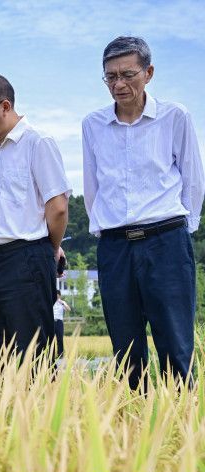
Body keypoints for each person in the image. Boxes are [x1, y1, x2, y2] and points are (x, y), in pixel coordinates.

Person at [82, 36, 204, 391]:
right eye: (110, 77)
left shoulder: (174, 116)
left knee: (175, 346)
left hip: (166, 240)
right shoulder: (92, 124)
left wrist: (183, 230)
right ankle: (132, 435)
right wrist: (106, 231)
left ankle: (180, 432)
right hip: (115, 247)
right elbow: (92, 187)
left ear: (148, 73)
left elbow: (194, 180)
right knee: (125, 348)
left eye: (127, 74)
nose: (119, 84)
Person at [0, 74, 71, 370]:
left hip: (27, 257)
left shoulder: (37, 143)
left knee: (32, 355)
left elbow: (58, 207)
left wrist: (51, 249)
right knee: (0, 357)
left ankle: (39, 414)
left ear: (5, 106)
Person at [53, 291, 71, 357]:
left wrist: (62, 304)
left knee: (60, 338)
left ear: (60, 296)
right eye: (56, 296)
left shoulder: (62, 302)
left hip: (59, 322)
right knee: (51, 339)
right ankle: (51, 354)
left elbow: (69, 309)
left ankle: (60, 354)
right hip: (52, 322)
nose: (57, 297)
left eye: (58, 296)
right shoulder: (51, 302)